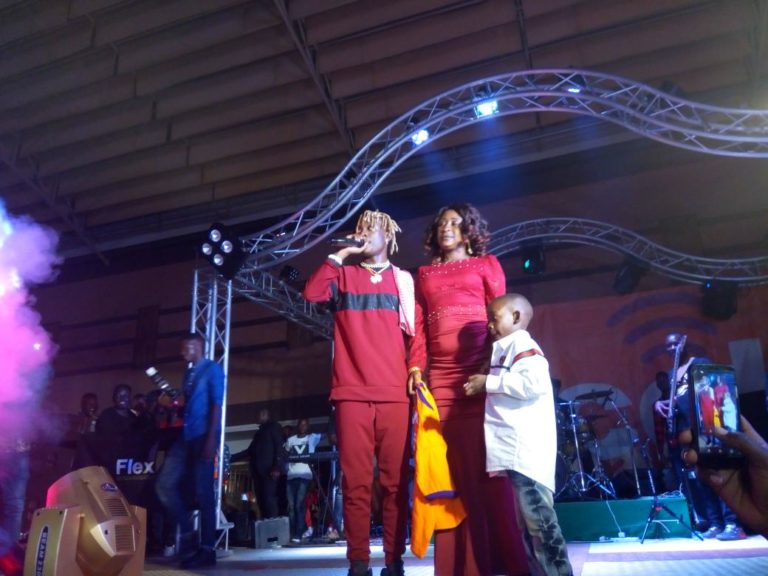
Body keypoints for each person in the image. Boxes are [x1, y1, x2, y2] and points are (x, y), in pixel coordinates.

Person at [408, 203, 526, 576]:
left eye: (455, 223)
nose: (447, 227)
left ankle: (507, 560)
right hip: (441, 380)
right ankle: (461, 566)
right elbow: (419, 325)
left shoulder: (487, 264)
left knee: (488, 472)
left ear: (468, 229)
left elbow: (503, 320)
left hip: (480, 373)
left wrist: (490, 368)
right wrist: (416, 367)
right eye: (441, 223)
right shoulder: (424, 274)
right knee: (452, 471)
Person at [303, 209, 414, 576]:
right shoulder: (344, 275)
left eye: (372, 228)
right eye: (361, 228)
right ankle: (359, 561)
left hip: (395, 393)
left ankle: (394, 560)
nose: (364, 233)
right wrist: (341, 254)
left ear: (389, 235)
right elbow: (312, 292)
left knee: (395, 484)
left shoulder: (403, 280)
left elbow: (416, 336)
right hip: (351, 393)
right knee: (356, 484)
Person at [465, 294, 572, 576]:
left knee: (540, 524)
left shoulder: (523, 345)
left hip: (525, 453)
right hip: (515, 452)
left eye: (494, 318)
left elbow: (533, 384)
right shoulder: (505, 348)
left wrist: (488, 382)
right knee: (528, 526)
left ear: (515, 317)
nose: (489, 325)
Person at [654, 333, 746, 540]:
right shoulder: (671, 374)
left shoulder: (701, 363)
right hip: (685, 433)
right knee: (701, 478)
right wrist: (660, 403)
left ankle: (733, 523)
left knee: (720, 475)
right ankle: (715, 522)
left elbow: (717, 391)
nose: (672, 348)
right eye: (668, 346)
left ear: (684, 343)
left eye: (675, 344)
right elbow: (675, 401)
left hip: (707, 429)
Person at [155, 332, 224, 569]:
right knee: (164, 484)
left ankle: (207, 550)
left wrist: (212, 438)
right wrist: (172, 404)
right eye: (182, 347)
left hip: (204, 435)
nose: (182, 351)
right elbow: (186, 406)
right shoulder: (189, 374)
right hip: (186, 435)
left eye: (186, 347)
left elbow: (217, 404)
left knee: (204, 493)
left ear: (198, 346)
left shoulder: (212, 369)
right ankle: (189, 535)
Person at [680, 417, 768, 539]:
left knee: (724, 475)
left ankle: (733, 524)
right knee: (709, 478)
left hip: (722, 437)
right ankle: (716, 523)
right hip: (705, 440)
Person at [232, 408, 284, 519]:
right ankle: (265, 524)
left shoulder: (274, 427)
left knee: (269, 500)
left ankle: (273, 525)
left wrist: (276, 467)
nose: (257, 417)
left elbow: (279, 446)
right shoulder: (258, 434)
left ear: (265, 415)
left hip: (269, 471)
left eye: (259, 415)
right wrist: (230, 458)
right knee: (261, 501)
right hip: (258, 473)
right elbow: (249, 451)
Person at [285, 418, 323, 542]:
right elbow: (284, 454)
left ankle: (299, 533)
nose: (302, 426)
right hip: (291, 476)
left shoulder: (312, 438)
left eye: (305, 424)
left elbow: (325, 435)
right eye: (301, 424)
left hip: (305, 476)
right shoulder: (291, 440)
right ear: (297, 426)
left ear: (308, 426)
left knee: (299, 505)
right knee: (291, 507)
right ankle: (292, 533)